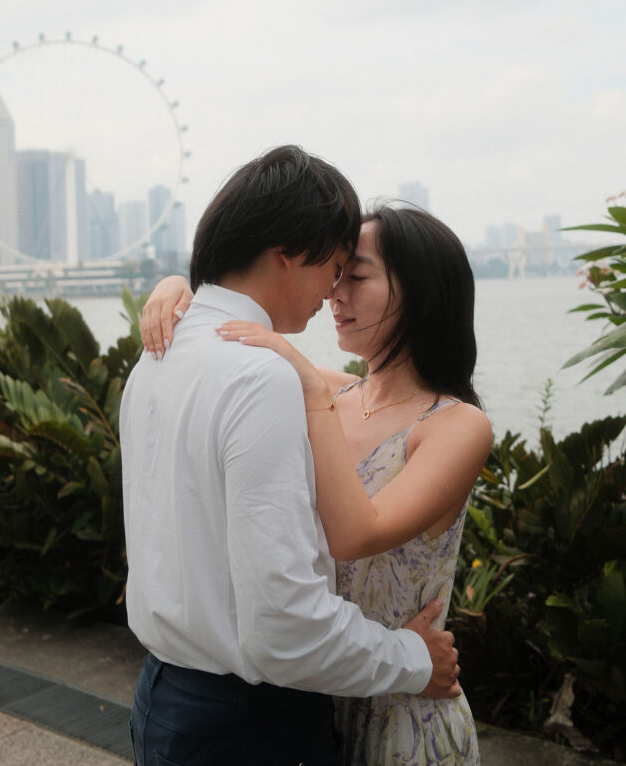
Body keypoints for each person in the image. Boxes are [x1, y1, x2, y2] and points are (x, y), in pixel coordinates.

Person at [121, 147, 461, 766]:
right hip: (248, 720)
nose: (333, 292)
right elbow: (284, 622)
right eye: (335, 267)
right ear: (287, 251)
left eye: (354, 275)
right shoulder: (263, 376)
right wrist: (412, 659)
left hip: (165, 698)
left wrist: (180, 288)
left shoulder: (158, 355)